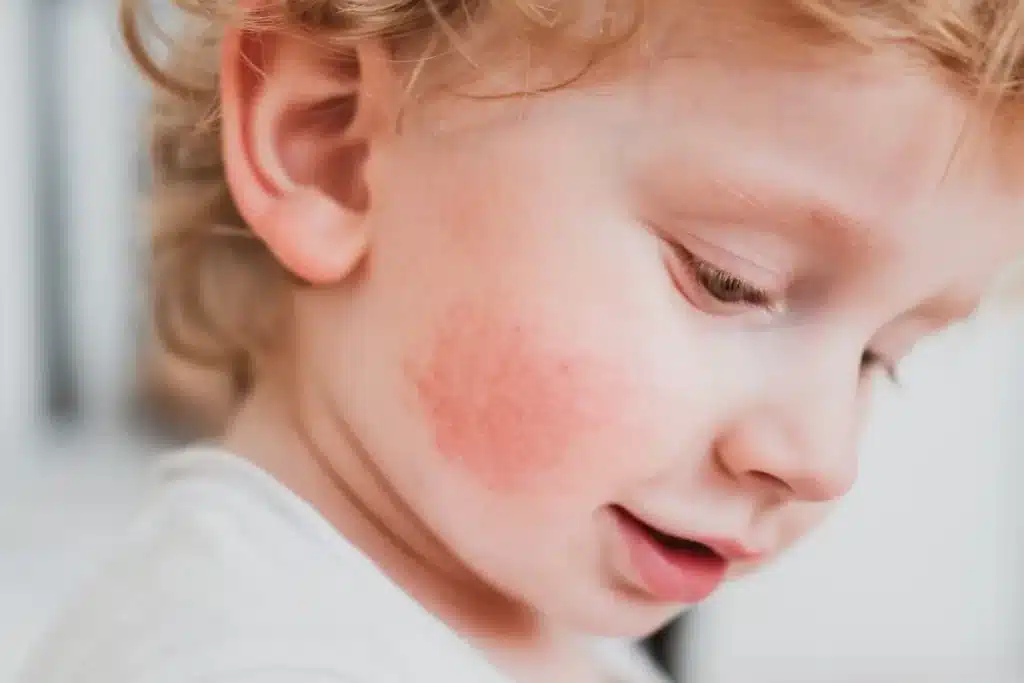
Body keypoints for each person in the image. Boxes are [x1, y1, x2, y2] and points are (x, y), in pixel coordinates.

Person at [19, 1, 1024, 681]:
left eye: (881, 356)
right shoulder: (239, 653)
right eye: (731, 280)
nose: (821, 459)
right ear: (330, 147)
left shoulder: (547, 635)